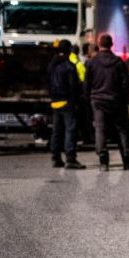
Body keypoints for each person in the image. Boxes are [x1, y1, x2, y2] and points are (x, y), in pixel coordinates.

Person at [85, 33, 129, 171]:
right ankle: (127, 160)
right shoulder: (119, 62)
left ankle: (103, 161)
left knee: (100, 129)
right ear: (111, 44)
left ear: (99, 44)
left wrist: (88, 100)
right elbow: (125, 84)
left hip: (98, 100)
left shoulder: (91, 62)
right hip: (116, 100)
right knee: (122, 130)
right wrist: (125, 100)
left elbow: (87, 85)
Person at [47, 39, 85, 169]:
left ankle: (55, 157)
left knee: (56, 131)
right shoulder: (69, 66)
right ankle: (70, 158)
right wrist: (76, 101)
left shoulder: (52, 65)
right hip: (67, 102)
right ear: (69, 50)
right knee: (70, 130)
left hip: (55, 102)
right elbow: (74, 86)